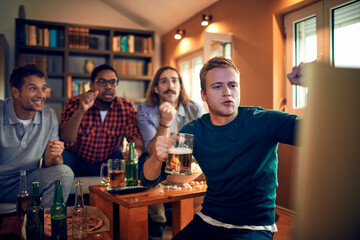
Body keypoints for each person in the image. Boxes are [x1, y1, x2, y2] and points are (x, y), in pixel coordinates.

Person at [141, 57, 301, 240]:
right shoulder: (192, 131)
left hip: (253, 227)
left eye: (233, 85)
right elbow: (147, 180)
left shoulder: (263, 121)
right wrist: (157, 158)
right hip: (208, 221)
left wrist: (317, 87)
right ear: (203, 95)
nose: (227, 92)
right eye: (217, 86)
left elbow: (318, 132)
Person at [137, 66, 204, 238]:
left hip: (190, 157)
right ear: (156, 88)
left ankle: (197, 218)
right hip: (159, 157)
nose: (170, 85)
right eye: (164, 81)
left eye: (174, 80)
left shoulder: (195, 108)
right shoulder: (145, 110)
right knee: (146, 163)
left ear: (180, 86)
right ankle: (157, 221)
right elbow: (151, 149)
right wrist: (165, 122)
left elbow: (203, 141)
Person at [0, 64, 74, 209]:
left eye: (43, 89)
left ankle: (40, 224)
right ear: (15, 92)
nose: (41, 95)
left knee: (64, 173)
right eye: (33, 88)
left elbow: (50, 163)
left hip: (27, 181)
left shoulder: (49, 115)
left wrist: (55, 155)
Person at [59, 64, 144, 176]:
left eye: (113, 82)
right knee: (61, 156)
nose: (108, 86)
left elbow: (136, 139)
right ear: (92, 85)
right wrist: (81, 110)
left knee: (138, 160)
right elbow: (65, 139)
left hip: (109, 163)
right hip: (78, 161)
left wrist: (135, 153)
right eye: (102, 82)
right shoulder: (75, 103)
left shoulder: (125, 107)